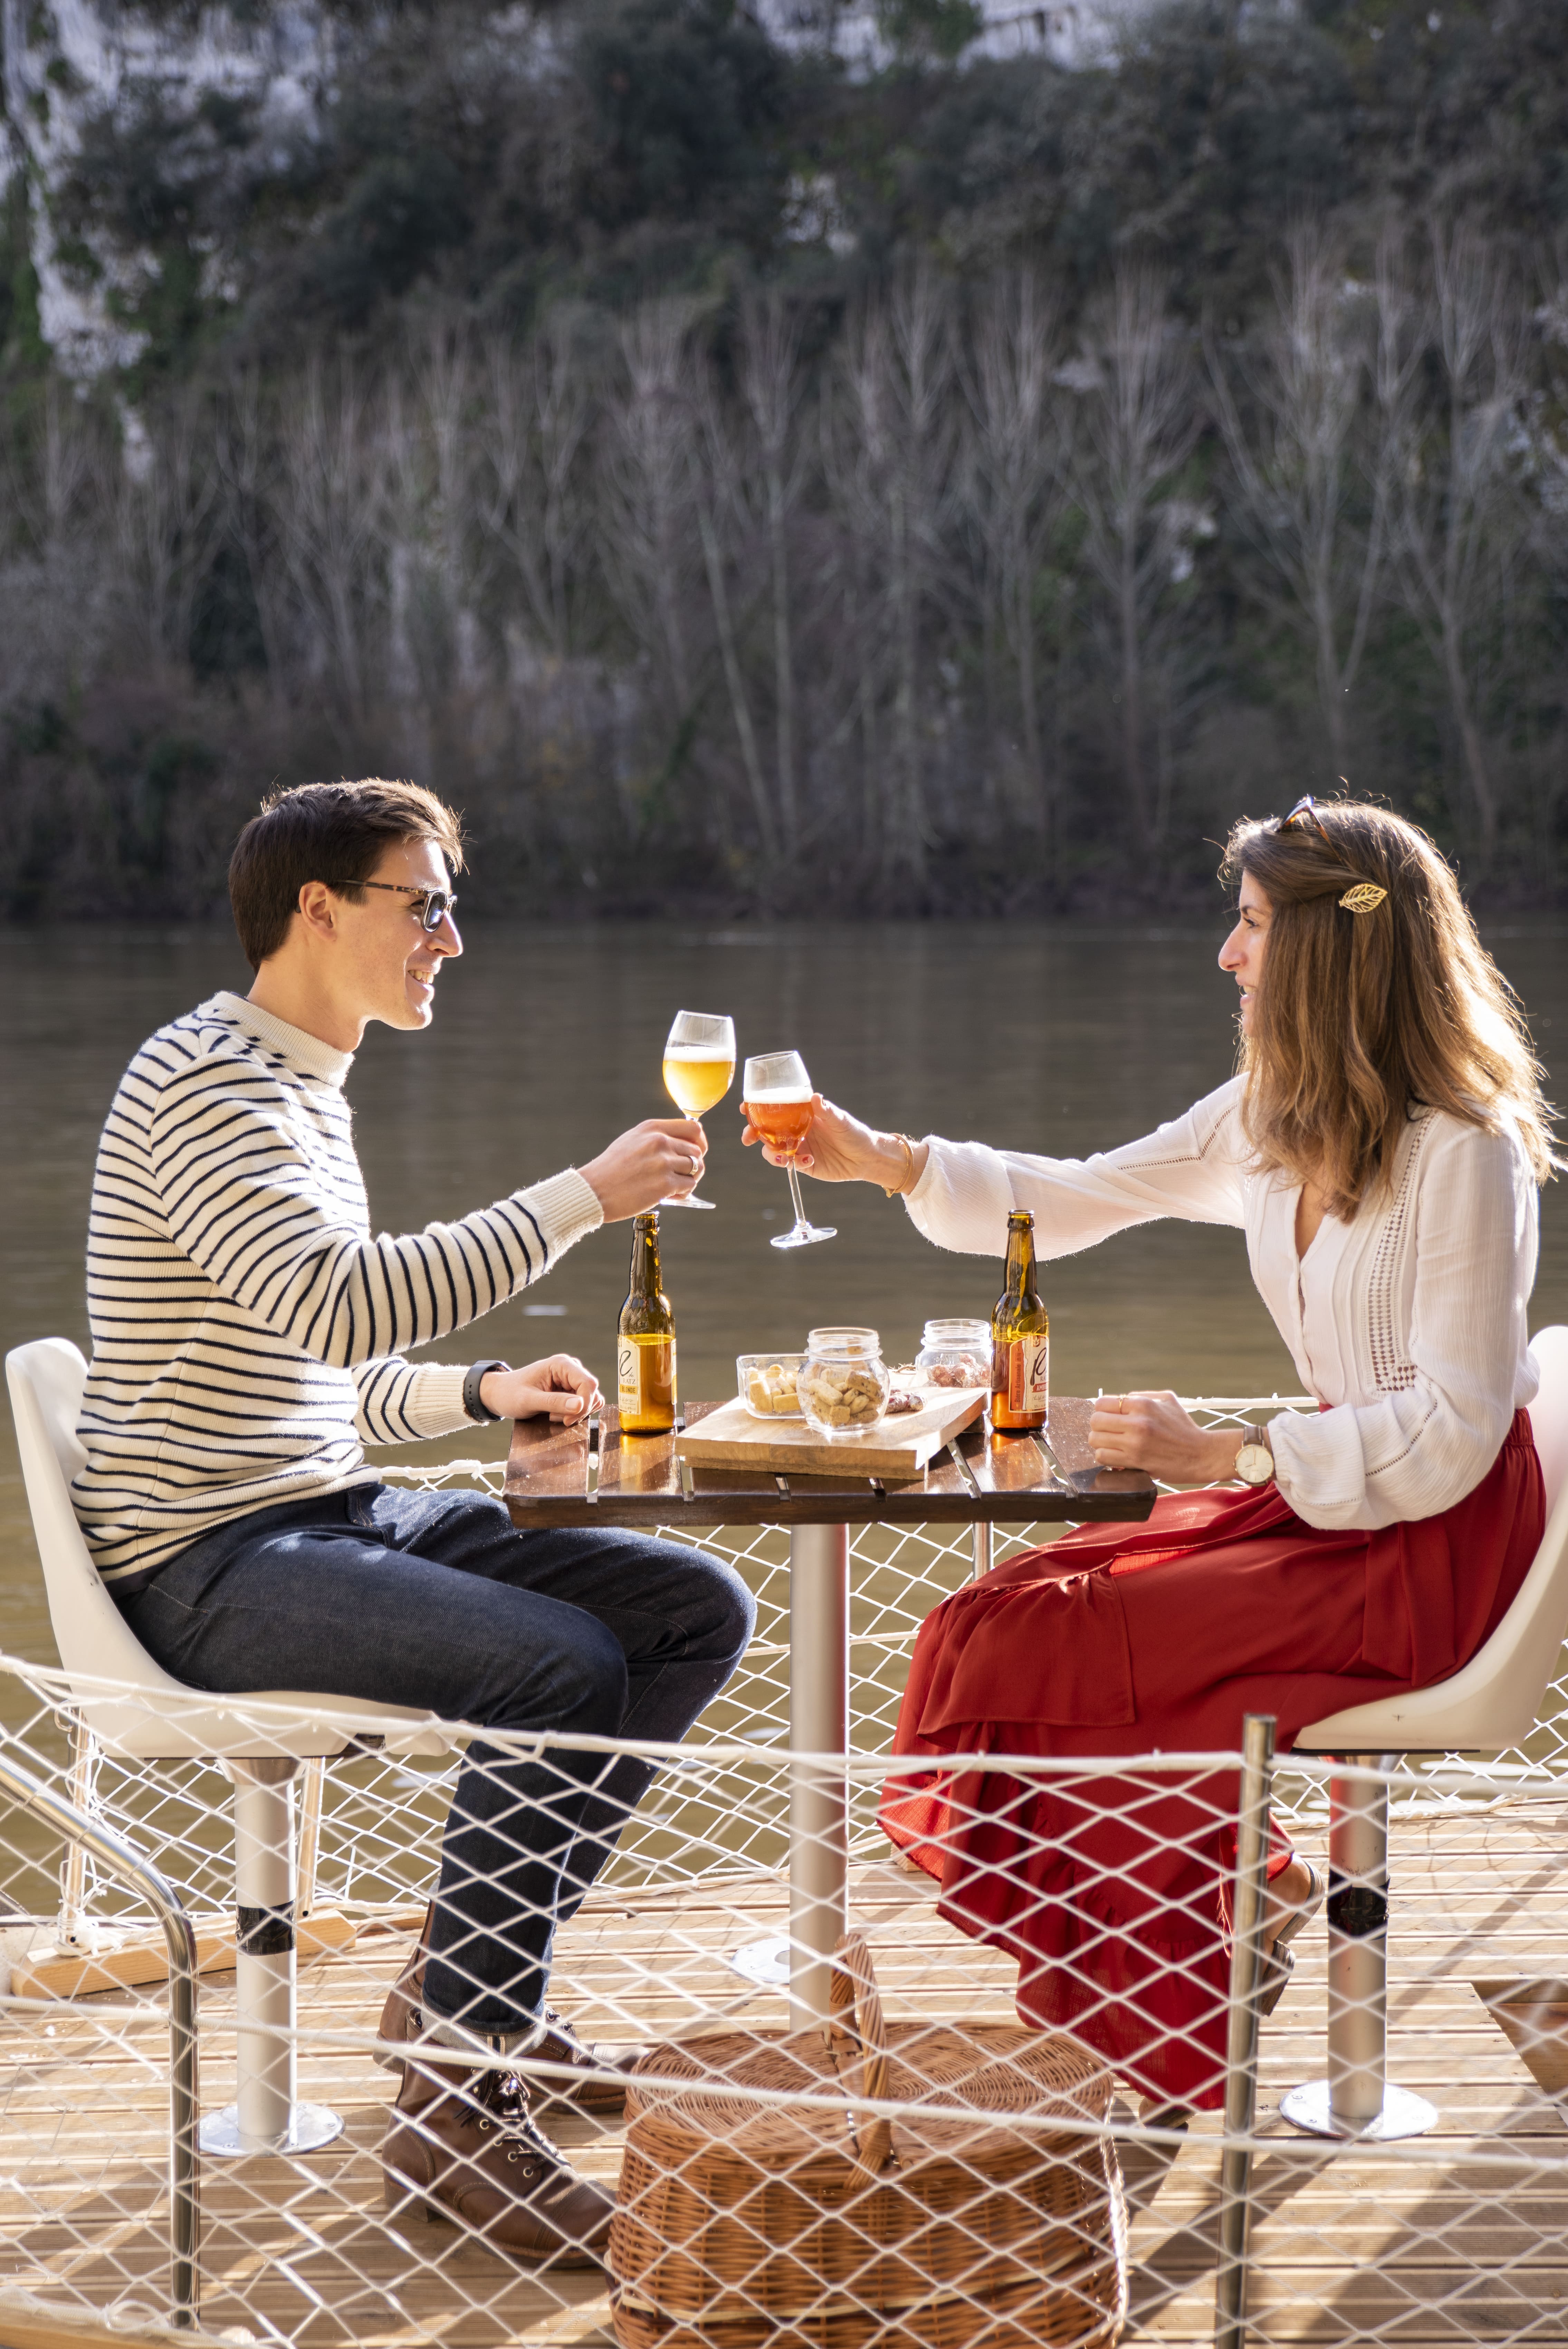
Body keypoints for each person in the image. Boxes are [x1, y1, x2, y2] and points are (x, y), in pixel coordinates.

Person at [741, 797, 1552, 2117]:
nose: (1225, 957)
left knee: (1075, 1645)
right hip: (1322, 1502)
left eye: (1246, 927)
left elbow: (1453, 1435)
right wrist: (880, 1159)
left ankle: (1148, 2036)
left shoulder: (1463, 1154)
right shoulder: (1267, 1113)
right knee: (997, 1615)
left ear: (1330, 953)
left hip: (1427, 1545)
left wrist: (1224, 1450)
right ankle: (1257, 1894)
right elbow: (1078, 1192)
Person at [74, 779, 756, 2263]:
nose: (452, 935)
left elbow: (312, 1363)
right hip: (204, 1558)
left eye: (452, 904)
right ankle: (462, 2100)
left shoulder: (301, 1086)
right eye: (427, 902)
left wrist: (477, 1389)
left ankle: (462, 1987)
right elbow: (337, 1297)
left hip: (325, 1507)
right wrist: (582, 1194)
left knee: (689, 1608)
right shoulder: (203, 1079)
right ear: (320, 910)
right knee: (553, 1667)